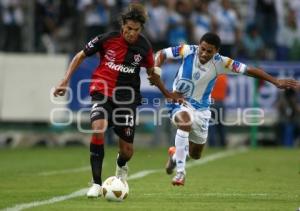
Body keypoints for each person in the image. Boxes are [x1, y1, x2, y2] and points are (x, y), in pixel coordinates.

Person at [53, 3, 181, 198]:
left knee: (127, 151)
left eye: (135, 30)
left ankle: (121, 166)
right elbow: (80, 56)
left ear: (141, 29)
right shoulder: (107, 39)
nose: (131, 33)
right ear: (123, 26)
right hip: (102, 91)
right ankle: (96, 183)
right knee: (98, 127)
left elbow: (152, 73)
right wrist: (65, 81)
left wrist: (166, 93)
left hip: (127, 99)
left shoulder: (144, 47)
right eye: (128, 29)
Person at [154, 32, 300, 186]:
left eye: (209, 51)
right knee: (185, 123)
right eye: (202, 49)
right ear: (199, 45)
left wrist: (275, 81)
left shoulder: (222, 63)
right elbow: (162, 53)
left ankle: (176, 156)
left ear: (216, 51)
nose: (204, 53)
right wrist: (156, 67)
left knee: (195, 154)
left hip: (202, 110)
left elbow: (248, 70)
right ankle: (180, 173)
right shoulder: (187, 50)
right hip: (178, 101)